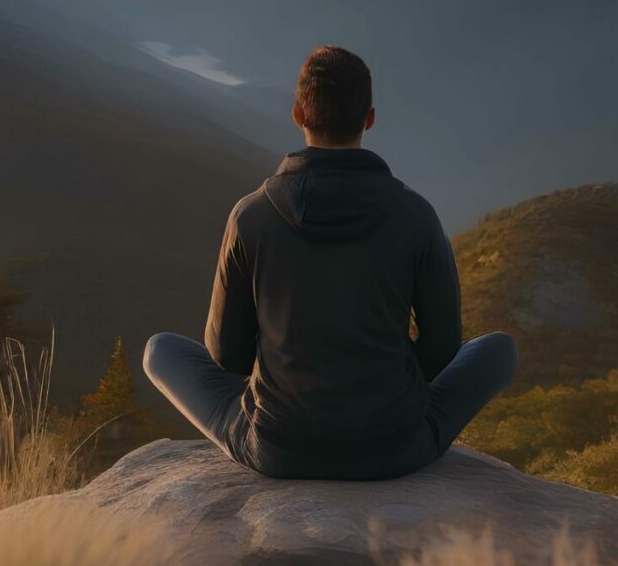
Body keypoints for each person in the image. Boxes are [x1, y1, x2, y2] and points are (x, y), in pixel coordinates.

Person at [143, 45, 517, 479]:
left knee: (160, 351)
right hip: (395, 448)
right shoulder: (415, 215)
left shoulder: (252, 216)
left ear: (298, 113)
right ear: (370, 118)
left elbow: (227, 357)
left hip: (278, 447)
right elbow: (441, 350)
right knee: (498, 351)